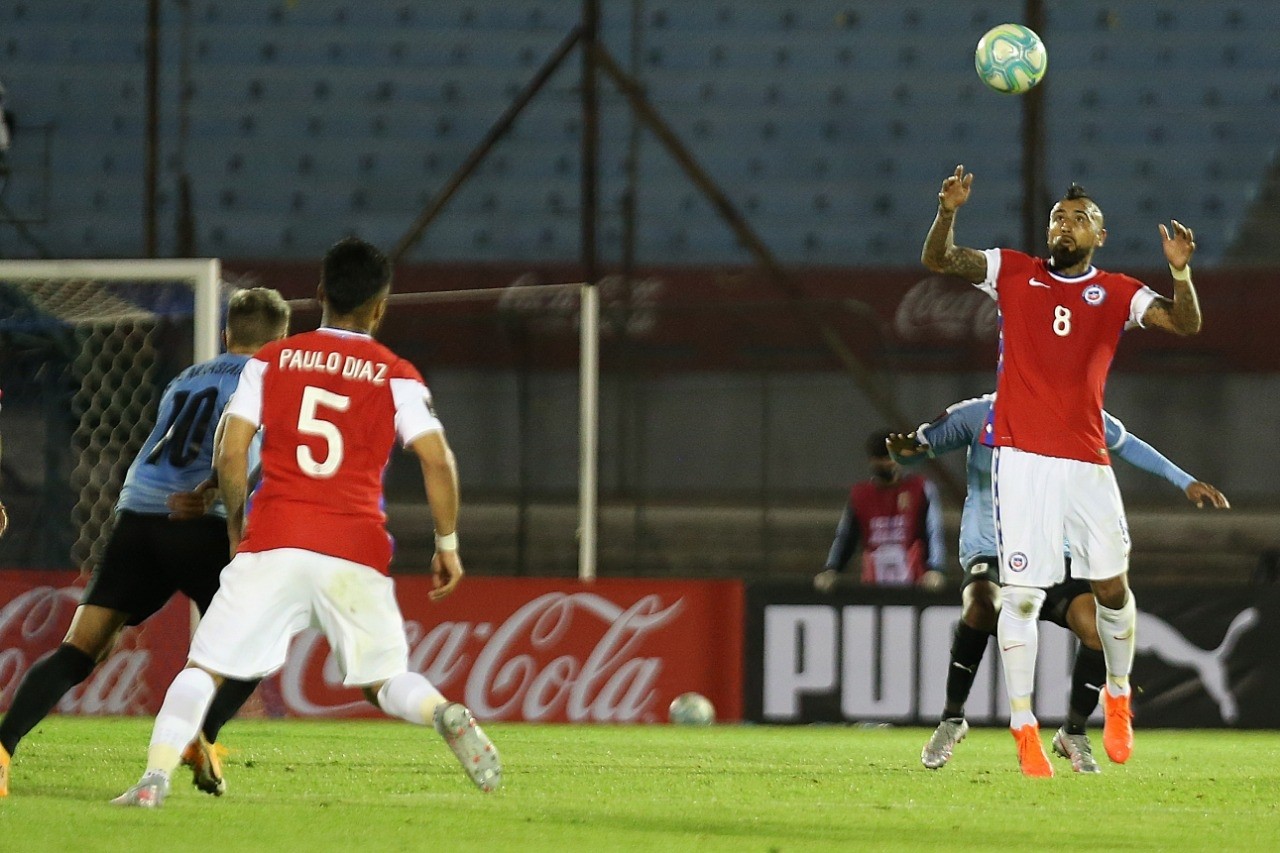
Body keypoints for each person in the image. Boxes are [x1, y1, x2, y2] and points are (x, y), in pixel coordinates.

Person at [112, 237, 501, 808]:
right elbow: (438, 458)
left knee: (205, 668)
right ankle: (442, 711)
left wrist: (237, 525)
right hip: (355, 548)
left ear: (318, 295)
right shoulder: (396, 373)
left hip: (276, 537)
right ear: (381, 307)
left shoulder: (271, 360)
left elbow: (232, 448)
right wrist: (448, 544)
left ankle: (154, 779)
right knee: (385, 681)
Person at [921, 166, 1204, 776]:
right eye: (1057, 217)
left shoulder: (1120, 291)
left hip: (1085, 461)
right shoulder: (1013, 271)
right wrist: (948, 210)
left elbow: (1186, 324)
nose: (1064, 225)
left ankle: (1119, 696)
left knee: (1113, 590)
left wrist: (1179, 271)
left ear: (1099, 235)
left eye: (1078, 219)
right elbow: (940, 259)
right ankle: (1024, 726)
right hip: (1021, 461)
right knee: (1018, 598)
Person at [0, 287, 291, 798]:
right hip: (205, 524)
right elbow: (234, 451)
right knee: (259, 647)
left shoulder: (186, 377)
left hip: (139, 514)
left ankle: (2, 747)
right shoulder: (274, 377)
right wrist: (230, 519)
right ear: (282, 340)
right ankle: (201, 737)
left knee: (81, 647)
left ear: (226, 335)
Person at [889, 394, 1229, 772]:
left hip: (1055, 549)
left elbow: (1126, 443)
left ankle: (1074, 732)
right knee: (981, 604)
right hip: (994, 547)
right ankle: (952, 720)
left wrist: (1185, 482)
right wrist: (905, 454)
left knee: (1095, 627)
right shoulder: (979, 414)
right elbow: (919, 448)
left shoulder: (1073, 407)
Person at [814, 430, 946, 591]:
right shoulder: (860, 495)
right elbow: (846, 536)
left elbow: (933, 531)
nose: (887, 464)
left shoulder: (920, 489)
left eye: (890, 458)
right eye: (881, 459)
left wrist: (935, 569)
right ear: (872, 461)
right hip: (873, 584)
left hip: (915, 583)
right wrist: (832, 569)